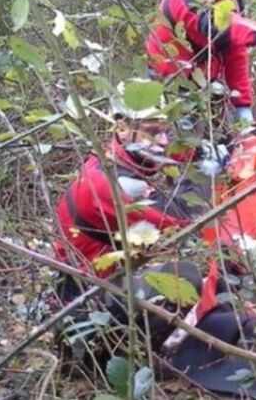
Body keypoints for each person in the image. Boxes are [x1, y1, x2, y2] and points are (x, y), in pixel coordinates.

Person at [53, 81, 204, 361]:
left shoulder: (104, 163)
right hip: (88, 311)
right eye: (153, 132)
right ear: (121, 129)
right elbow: (183, 221)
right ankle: (114, 357)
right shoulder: (108, 186)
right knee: (187, 276)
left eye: (165, 132)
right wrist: (202, 174)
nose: (163, 141)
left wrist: (194, 152)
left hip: (92, 290)